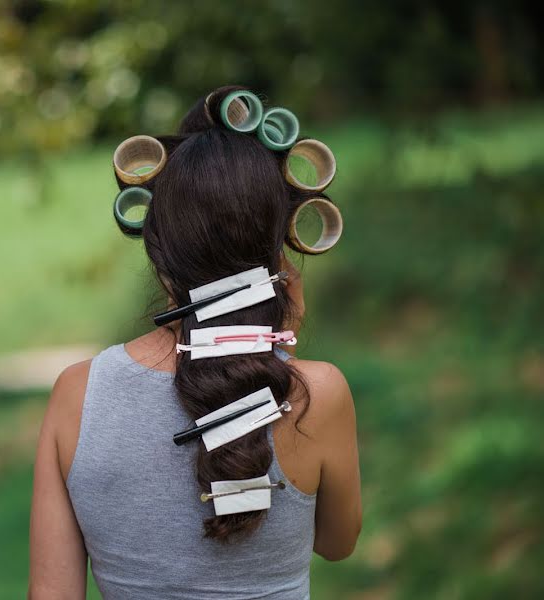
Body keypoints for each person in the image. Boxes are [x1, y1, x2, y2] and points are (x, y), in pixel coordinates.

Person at [29, 85, 362, 599]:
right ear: (279, 260)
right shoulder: (318, 395)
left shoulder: (78, 397)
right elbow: (339, 543)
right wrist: (277, 351)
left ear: (159, 254)